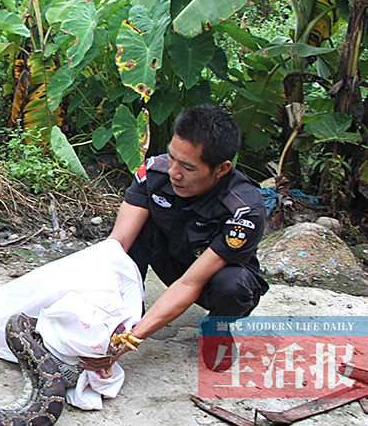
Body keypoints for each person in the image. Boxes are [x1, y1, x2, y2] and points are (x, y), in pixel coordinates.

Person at [80, 104, 269, 374]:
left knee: (234, 287)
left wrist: (129, 341)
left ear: (222, 169)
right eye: (172, 158)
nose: (174, 173)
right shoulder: (154, 174)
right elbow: (117, 246)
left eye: (189, 168)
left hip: (209, 278)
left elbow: (191, 283)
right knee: (124, 244)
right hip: (169, 258)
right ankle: (128, 311)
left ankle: (217, 328)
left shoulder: (243, 209)